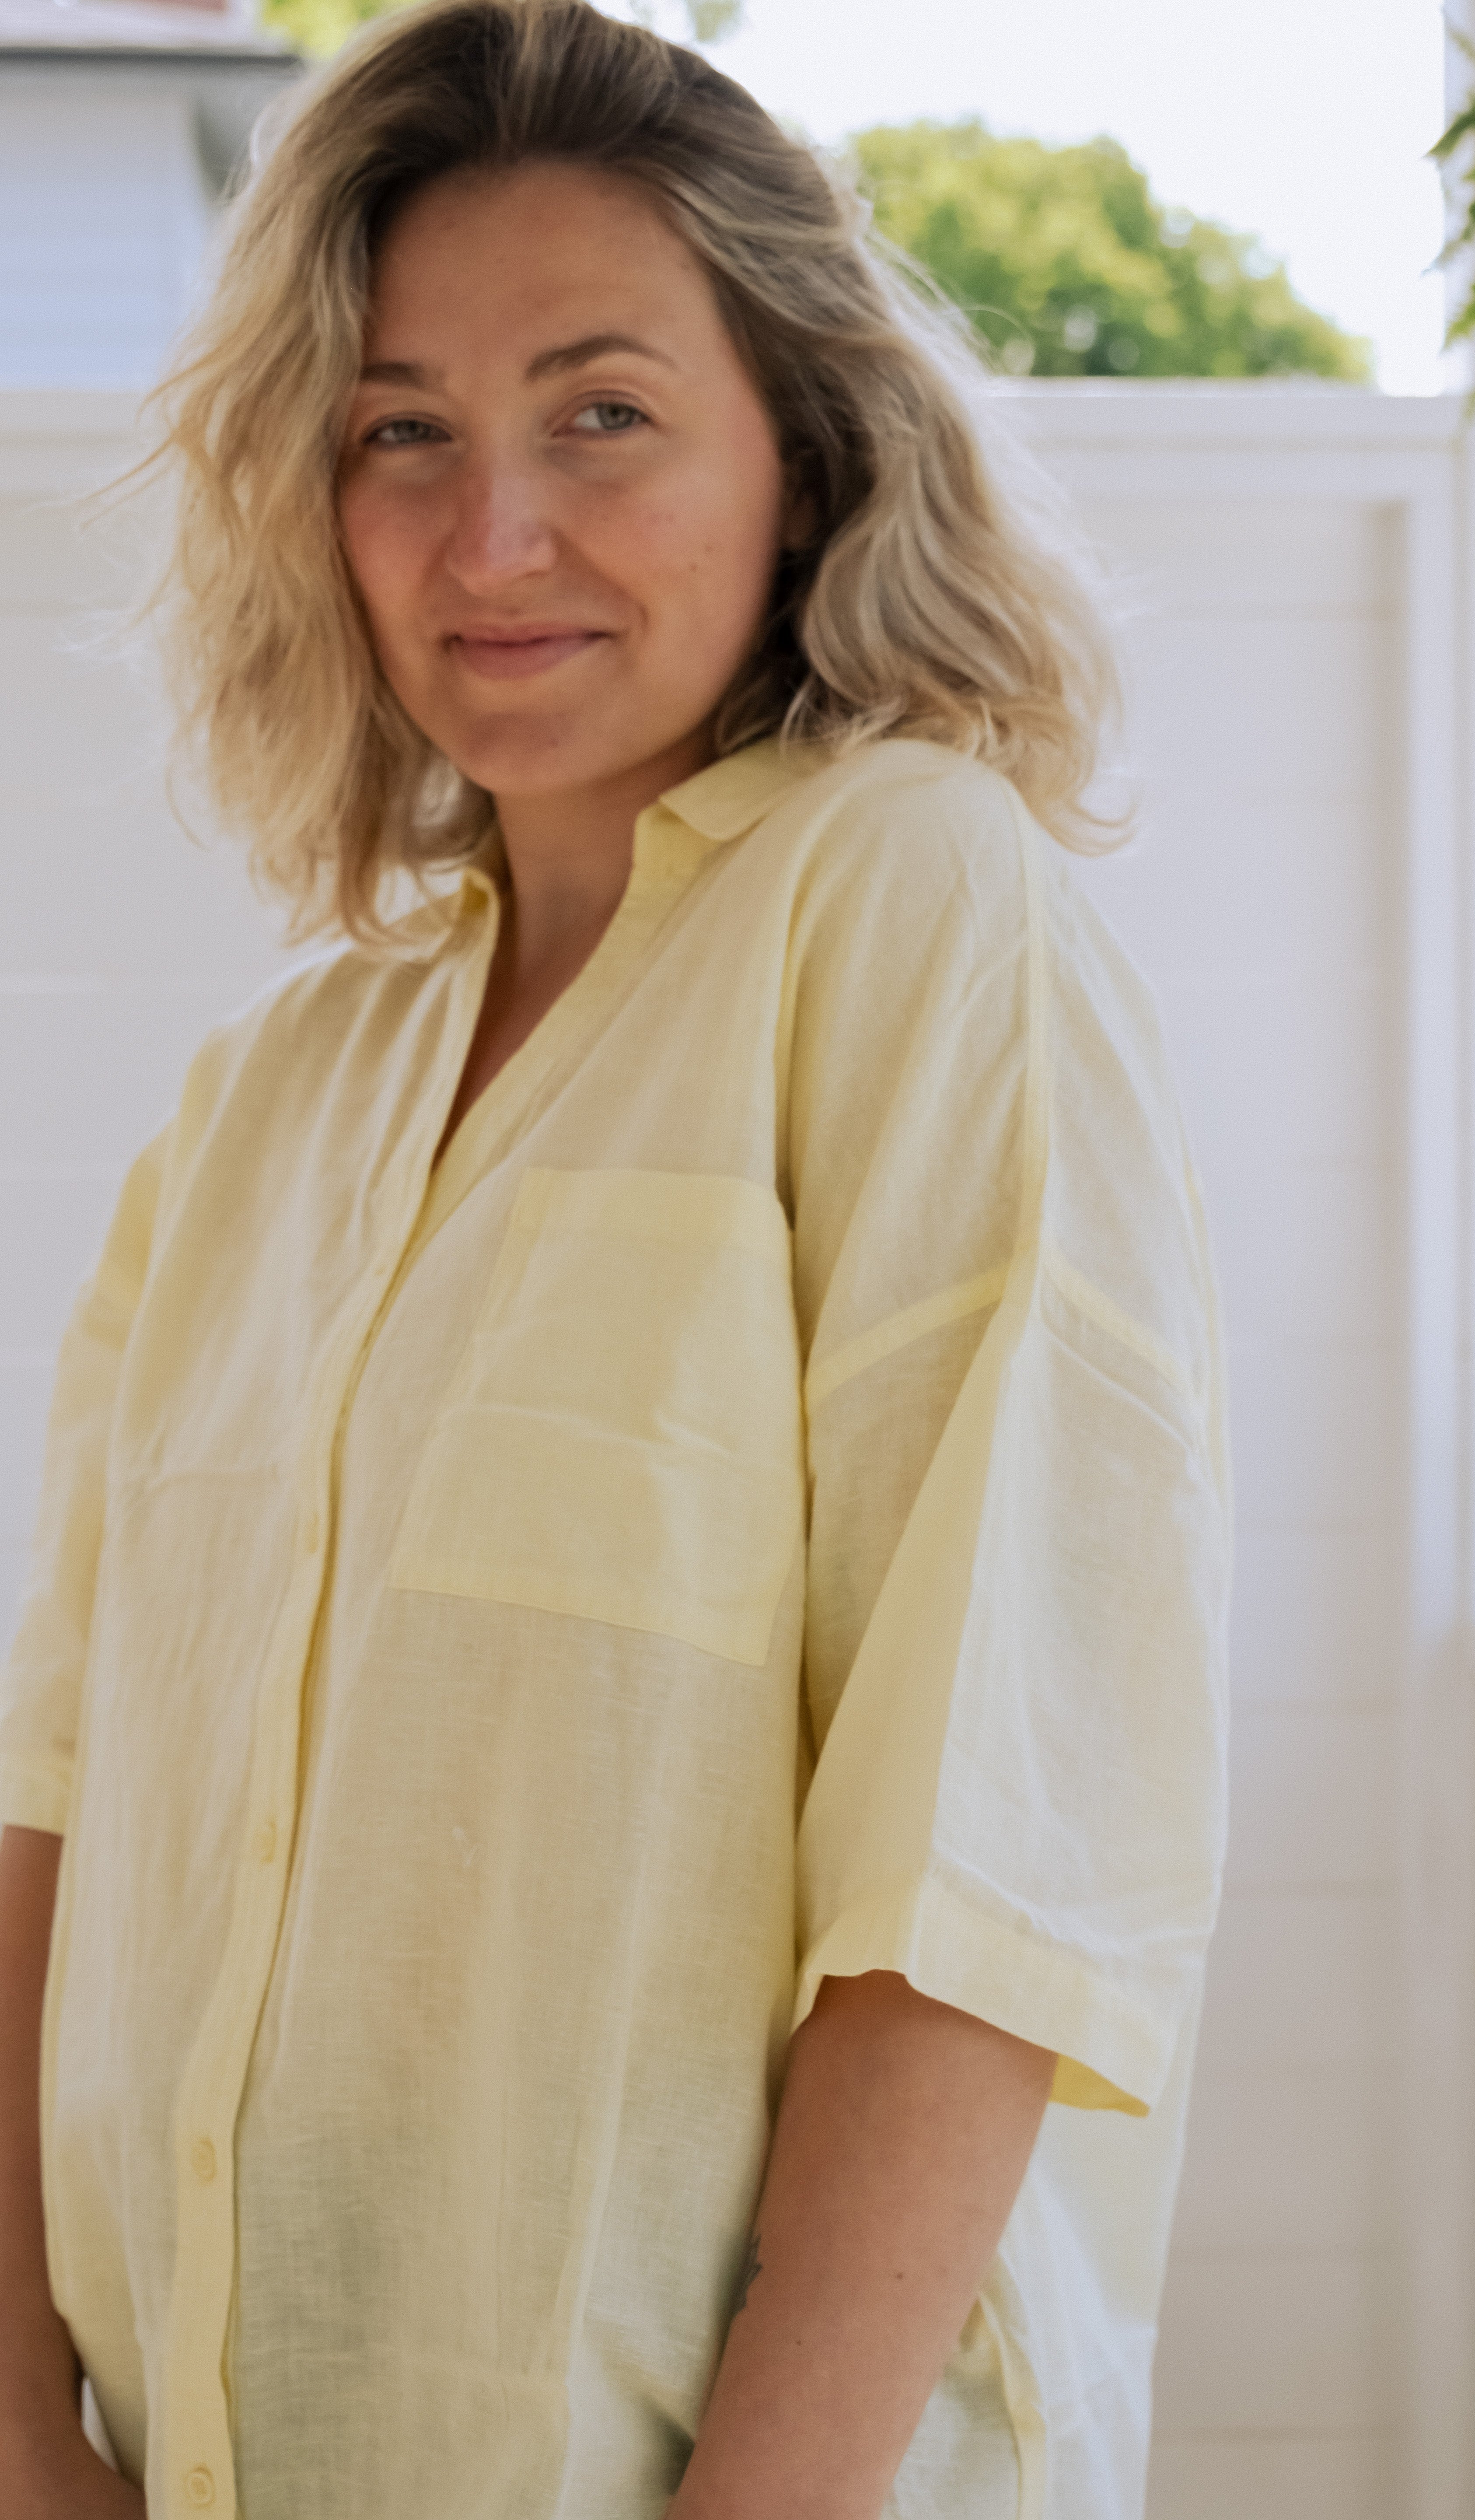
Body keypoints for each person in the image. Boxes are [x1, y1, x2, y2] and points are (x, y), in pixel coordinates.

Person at [0, 4, 1230, 2515]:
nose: (493, 539)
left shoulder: (910, 912)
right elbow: (54, 1819)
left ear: (808, 453)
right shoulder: (261, 1105)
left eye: (602, 413)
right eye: (401, 433)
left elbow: (985, 1871)